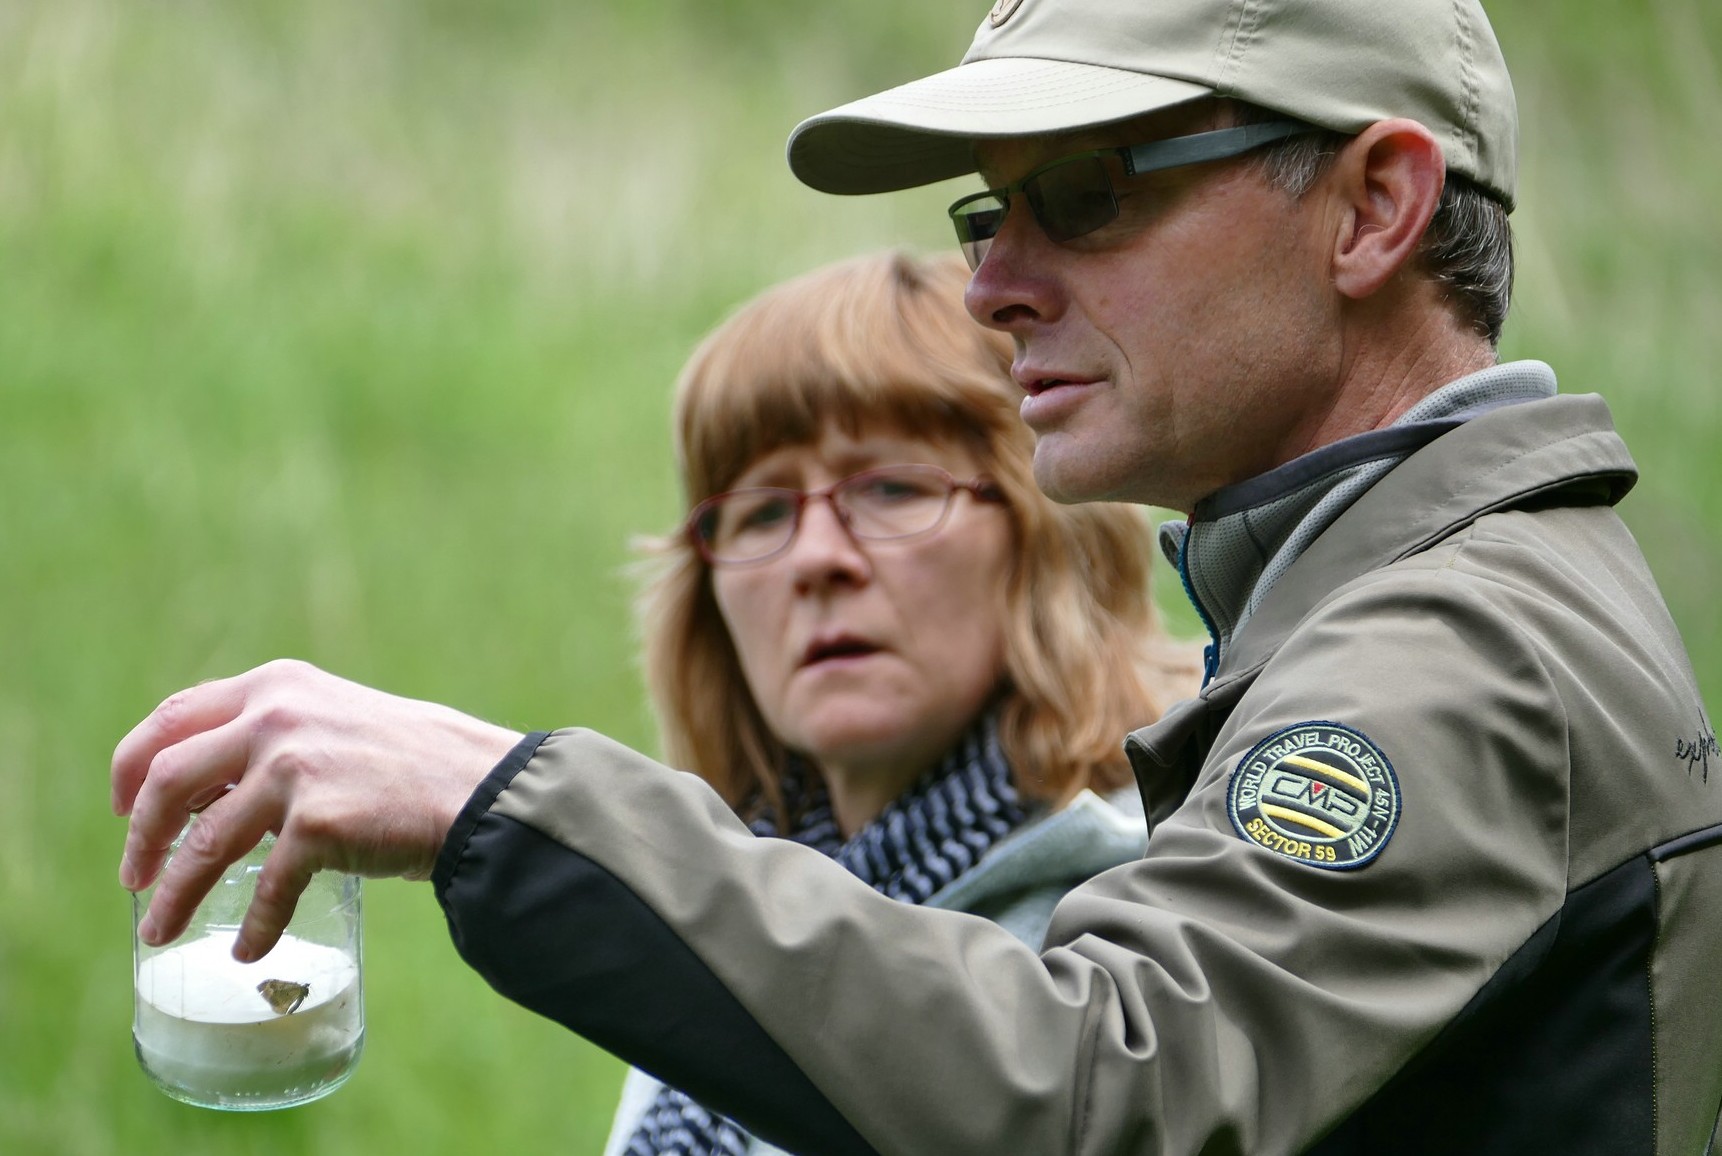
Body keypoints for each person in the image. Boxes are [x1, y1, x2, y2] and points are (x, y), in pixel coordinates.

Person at [113, 0, 1722, 1152]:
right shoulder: (1406, 598)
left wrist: (495, 802)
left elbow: (1106, 1091)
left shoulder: (1448, 644)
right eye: (987, 214)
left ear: (1372, 207)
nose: (995, 286)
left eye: (1086, 194)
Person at [604, 249, 1197, 1155]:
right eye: (762, 512)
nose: (815, 558)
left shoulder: (1158, 903)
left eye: (890, 489)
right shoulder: (713, 910)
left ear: (1045, 530)